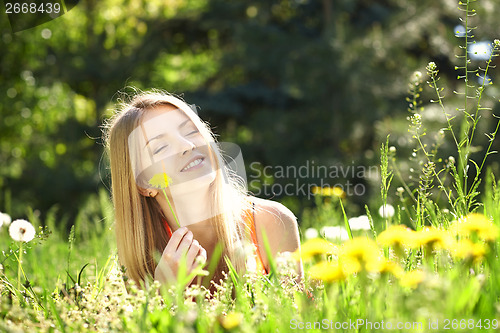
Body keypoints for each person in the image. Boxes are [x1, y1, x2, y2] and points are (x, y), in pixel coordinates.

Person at [103, 89, 303, 297]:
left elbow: (296, 321)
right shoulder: (142, 252)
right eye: (161, 147)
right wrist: (163, 293)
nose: (187, 146)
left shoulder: (270, 222)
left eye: (190, 132)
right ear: (143, 185)